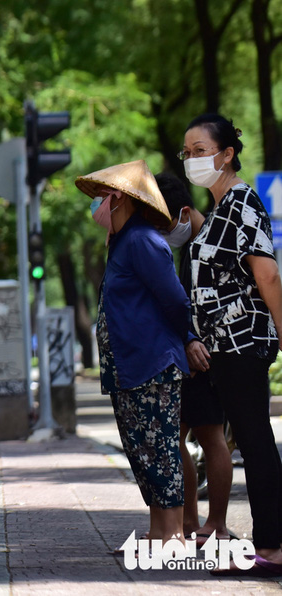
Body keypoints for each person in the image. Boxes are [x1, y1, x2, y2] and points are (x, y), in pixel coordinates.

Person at [75, 160, 208, 543]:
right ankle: (158, 529)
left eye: (104, 197)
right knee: (142, 451)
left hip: (152, 364)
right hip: (129, 367)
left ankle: (173, 534)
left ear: (122, 200)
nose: (99, 204)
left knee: (161, 449)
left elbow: (175, 301)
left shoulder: (143, 241)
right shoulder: (123, 241)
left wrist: (186, 338)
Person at [181, 113, 282, 572]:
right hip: (224, 348)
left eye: (200, 151)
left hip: (244, 343)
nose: (192, 160)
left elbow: (268, 275)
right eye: (187, 153)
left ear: (227, 155)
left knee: (257, 441)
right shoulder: (221, 210)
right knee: (250, 440)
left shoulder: (242, 203)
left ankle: (271, 547)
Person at [155, 172, 231, 544]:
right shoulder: (189, 247)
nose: (166, 233)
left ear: (184, 211)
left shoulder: (210, 240)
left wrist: (195, 341)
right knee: (177, 438)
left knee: (210, 437)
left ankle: (215, 523)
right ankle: (189, 522)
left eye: (167, 223)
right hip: (188, 357)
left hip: (207, 357)